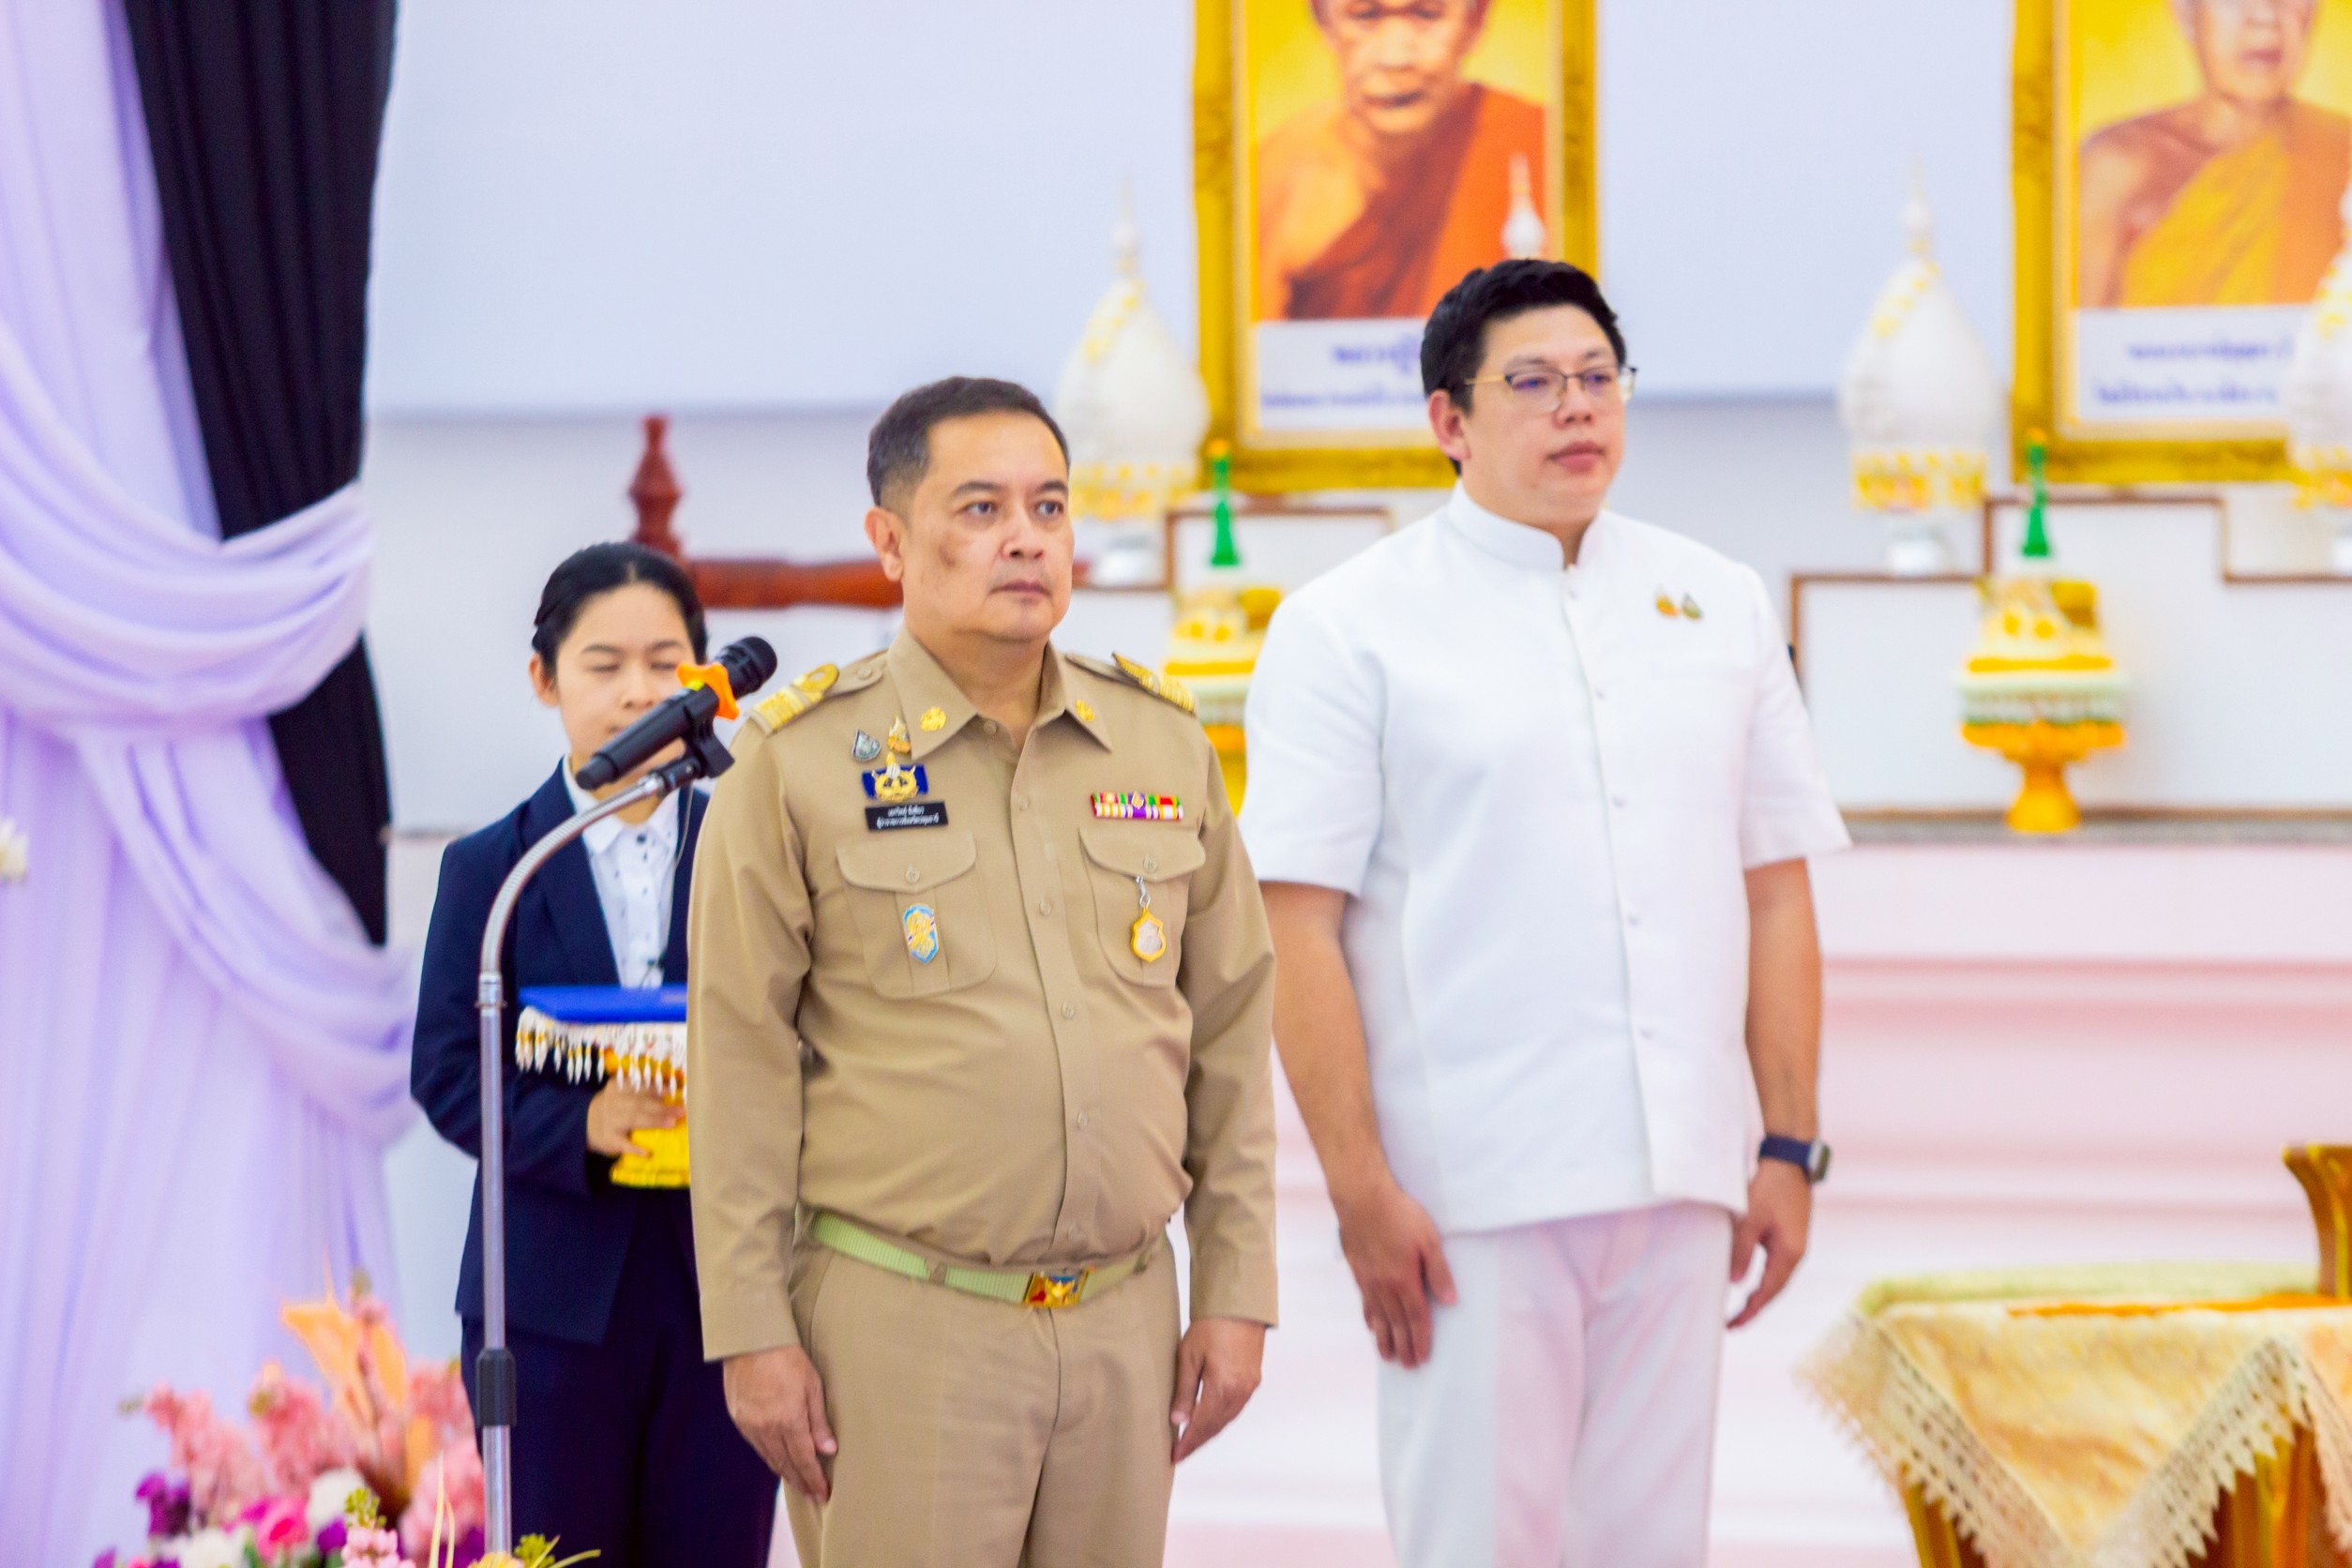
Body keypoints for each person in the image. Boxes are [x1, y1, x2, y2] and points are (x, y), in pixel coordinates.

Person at [1240, 260, 1848, 1566]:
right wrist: (1359, 1188)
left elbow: (1774, 886)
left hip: (1682, 1175)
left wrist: (1787, 1146)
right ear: (1448, 420)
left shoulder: (1718, 601)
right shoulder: (1349, 626)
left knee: (1654, 1548)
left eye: (1598, 378)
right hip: (1469, 1194)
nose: (1577, 407)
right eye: (1533, 382)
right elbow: (1294, 928)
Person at [687, 377, 1278, 1567]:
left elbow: (1227, 1030)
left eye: (1049, 507)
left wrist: (1236, 1283)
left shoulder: (1159, 742)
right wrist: (750, 1328)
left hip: (1122, 1321)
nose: (1025, 537)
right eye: (981, 508)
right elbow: (739, 1061)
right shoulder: (797, 763)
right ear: (890, 541)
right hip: (905, 1325)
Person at [411, 542, 776, 1565]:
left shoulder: (754, 849)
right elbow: (446, 1071)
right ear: (545, 679)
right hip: (549, 1303)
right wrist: (582, 1123)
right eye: (604, 665)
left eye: (665, 665)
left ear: (704, 680)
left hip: (728, 1293)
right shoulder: (494, 865)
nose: (637, 694)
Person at [1257, 0, 1547, 321]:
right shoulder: (1271, 177)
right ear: (1323, 20)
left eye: (1426, 15)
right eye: (1365, 16)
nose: (1395, 58)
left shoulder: (1541, 149)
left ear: (1475, 20)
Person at [2078, 0, 2348, 308]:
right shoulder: (2118, 165)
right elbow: (2075, 330)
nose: (2266, 16)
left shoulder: (2341, 150)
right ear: (2185, 12)